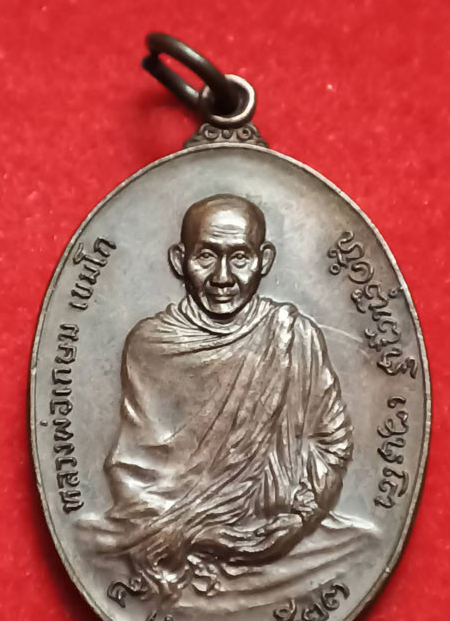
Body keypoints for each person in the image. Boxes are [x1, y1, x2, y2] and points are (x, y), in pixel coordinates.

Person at [102, 194, 353, 599]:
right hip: (176, 540)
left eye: (240, 257)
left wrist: (300, 520)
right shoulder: (152, 346)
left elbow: (332, 444)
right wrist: (179, 533)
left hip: (287, 539)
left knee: (357, 549)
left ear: (264, 260)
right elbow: (135, 469)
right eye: (206, 256)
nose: (223, 277)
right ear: (179, 260)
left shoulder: (294, 336)